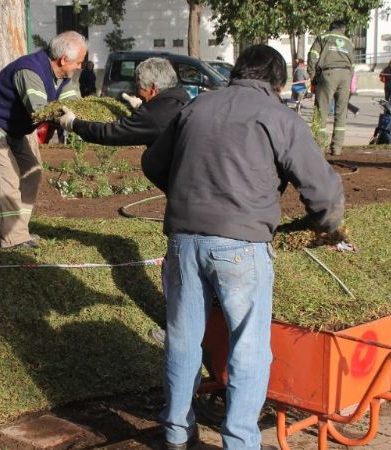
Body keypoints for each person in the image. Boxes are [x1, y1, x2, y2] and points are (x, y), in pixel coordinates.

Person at [142, 44, 344, 450]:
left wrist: (189, 196)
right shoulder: (278, 116)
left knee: (183, 338)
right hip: (241, 246)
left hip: (183, 241)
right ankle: (239, 441)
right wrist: (328, 227)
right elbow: (321, 190)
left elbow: (153, 163)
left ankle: (177, 434)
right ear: (278, 82)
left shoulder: (195, 108)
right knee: (249, 346)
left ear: (237, 72)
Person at [0, 31, 85, 249]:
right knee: (5, 175)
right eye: (79, 62)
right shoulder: (29, 71)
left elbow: (72, 101)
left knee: (32, 171)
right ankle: (13, 239)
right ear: (64, 59)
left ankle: (20, 230)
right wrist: (67, 120)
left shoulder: (64, 76)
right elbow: (39, 110)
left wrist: (85, 117)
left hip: (14, 127)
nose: (80, 67)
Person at [59, 57, 189, 146]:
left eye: (139, 86)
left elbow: (110, 133)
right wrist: (141, 106)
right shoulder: (182, 97)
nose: (137, 92)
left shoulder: (154, 116)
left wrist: (74, 124)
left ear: (153, 88)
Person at [308, 20, 355, 155]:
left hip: (328, 74)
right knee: (341, 112)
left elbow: (313, 56)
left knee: (321, 111)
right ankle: (337, 148)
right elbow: (353, 64)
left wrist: (312, 75)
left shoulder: (323, 37)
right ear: (343, 29)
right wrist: (349, 79)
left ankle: (319, 146)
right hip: (345, 75)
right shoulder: (349, 41)